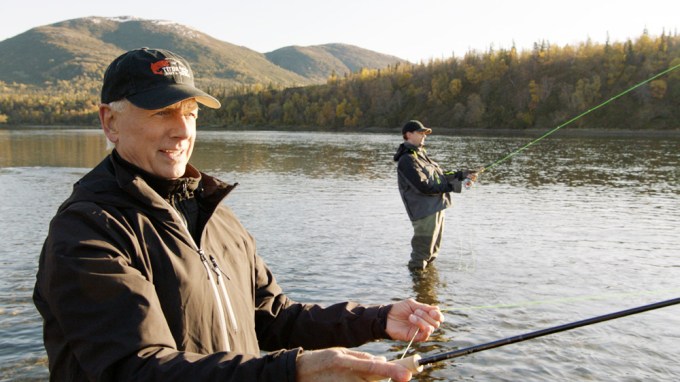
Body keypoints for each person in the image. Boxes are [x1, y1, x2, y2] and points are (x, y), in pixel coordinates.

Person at [33, 48, 444, 381]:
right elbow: (135, 367)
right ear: (110, 122)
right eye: (161, 113)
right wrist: (294, 370)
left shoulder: (214, 214)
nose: (182, 130)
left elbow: (273, 317)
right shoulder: (86, 230)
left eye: (190, 112)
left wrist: (375, 319)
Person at [393, 120, 477, 271]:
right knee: (421, 254)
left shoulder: (421, 155)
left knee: (433, 252)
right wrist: (452, 186)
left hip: (437, 207)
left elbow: (440, 176)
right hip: (424, 212)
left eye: (425, 133)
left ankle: (427, 289)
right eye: (421, 133)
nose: (424, 136)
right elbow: (424, 186)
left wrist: (462, 174)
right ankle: (419, 289)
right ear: (408, 135)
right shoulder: (407, 160)